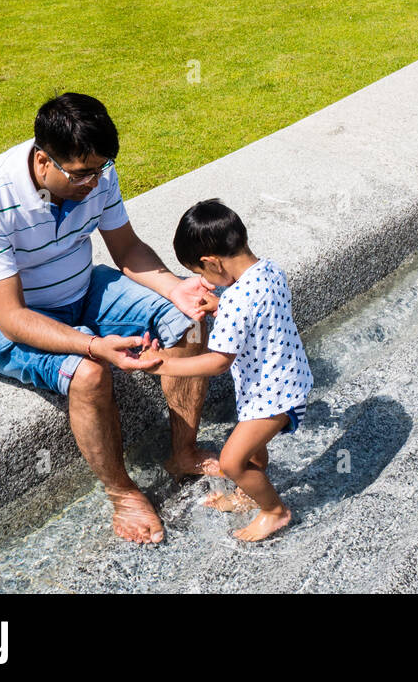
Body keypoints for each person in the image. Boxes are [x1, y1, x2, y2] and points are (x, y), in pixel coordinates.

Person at [0, 93, 221, 544]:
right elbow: (12, 317)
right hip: (0, 324)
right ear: (43, 160)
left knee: (189, 318)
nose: (95, 183)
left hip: (83, 289)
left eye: (101, 170)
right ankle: (123, 494)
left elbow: (127, 250)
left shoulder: (96, 171)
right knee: (90, 375)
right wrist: (94, 345)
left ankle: (183, 452)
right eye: (82, 174)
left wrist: (176, 288)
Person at [128, 199, 312, 543]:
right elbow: (256, 314)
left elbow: (218, 362)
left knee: (232, 461)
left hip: (271, 397)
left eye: (200, 272)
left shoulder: (236, 302)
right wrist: (220, 305)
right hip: (288, 381)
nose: (202, 279)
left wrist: (164, 364)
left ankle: (274, 511)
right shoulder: (268, 270)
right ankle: (248, 494)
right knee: (254, 450)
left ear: (211, 262)